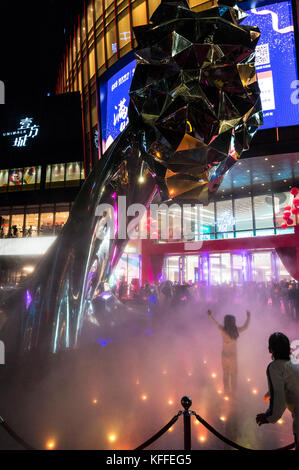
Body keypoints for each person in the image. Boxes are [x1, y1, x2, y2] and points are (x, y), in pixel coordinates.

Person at [256, 332, 299, 450]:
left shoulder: (274, 367)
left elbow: (279, 401)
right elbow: (290, 381)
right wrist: (270, 393)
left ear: (271, 349)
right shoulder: (295, 361)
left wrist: (268, 416)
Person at [207, 309, 251, 397]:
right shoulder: (236, 331)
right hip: (233, 356)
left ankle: (226, 392)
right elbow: (245, 327)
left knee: (226, 374)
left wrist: (210, 315)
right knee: (233, 375)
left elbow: (215, 323)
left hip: (224, 356)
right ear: (233, 322)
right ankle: (233, 393)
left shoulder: (222, 330)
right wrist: (248, 317)